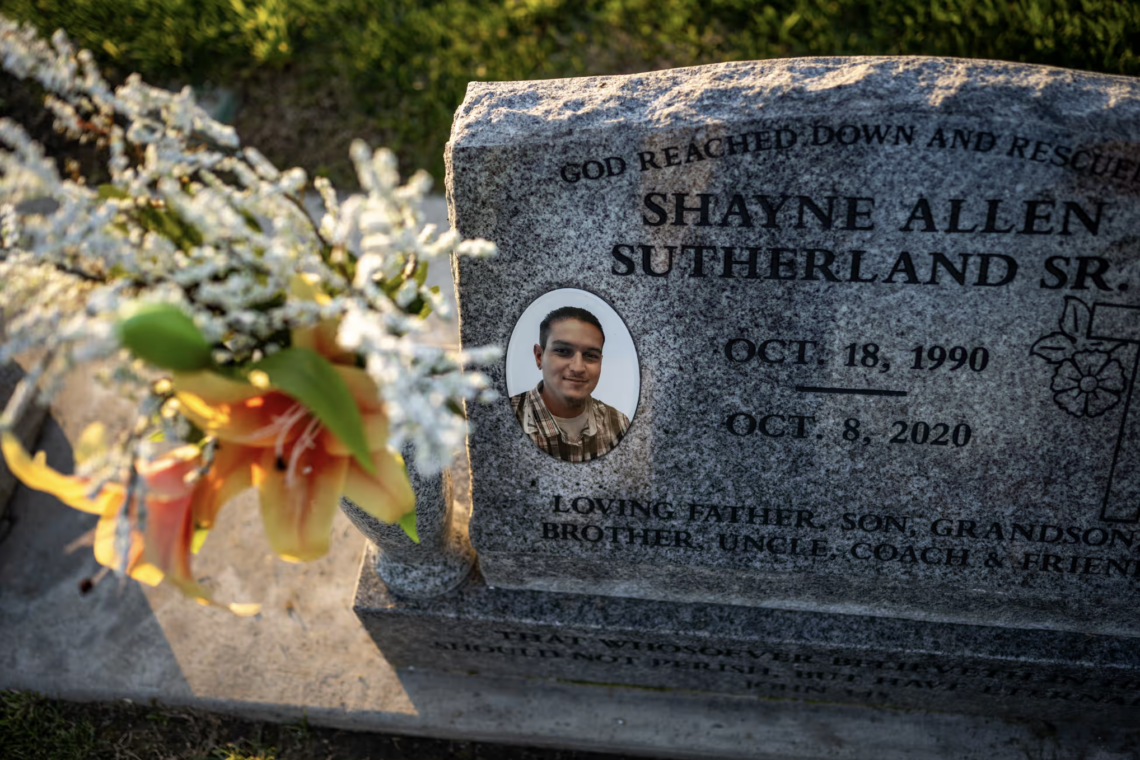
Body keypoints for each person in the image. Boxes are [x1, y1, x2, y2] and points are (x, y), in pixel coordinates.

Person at [511, 306, 630, 462]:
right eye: (563, 351)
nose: (578, 367)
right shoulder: (505, 416)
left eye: (590, 355)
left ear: (600, 362)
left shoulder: (619, 424)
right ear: (539, 357)